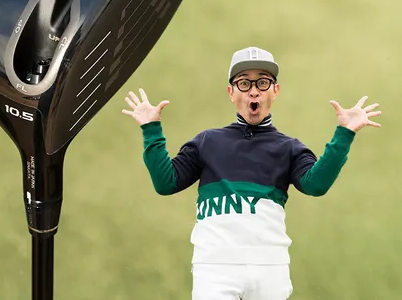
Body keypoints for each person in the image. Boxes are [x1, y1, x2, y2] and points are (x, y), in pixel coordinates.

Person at [121, 46, 382, 300]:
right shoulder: (207, 142)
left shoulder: (289, 148)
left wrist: (344, 134)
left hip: (270, 268)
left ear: (275, 91)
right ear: (231, 93)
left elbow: (316, 185)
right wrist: (151, 129)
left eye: (263, 83)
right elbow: (166, 183)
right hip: (214, 268)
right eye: (244, 83)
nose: (254, 91)